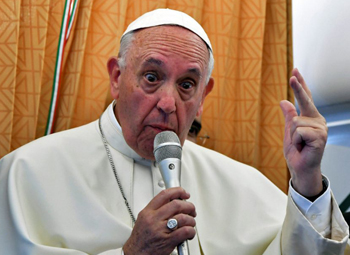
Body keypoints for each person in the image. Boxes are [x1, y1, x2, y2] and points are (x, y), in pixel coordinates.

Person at [0, 8, 349, 255]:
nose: (168, 102)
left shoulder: (243, 183)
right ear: (117, 78)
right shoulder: (27, 172)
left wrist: (307, 180)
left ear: (202, 98)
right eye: (152, 77)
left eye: (186, 84)